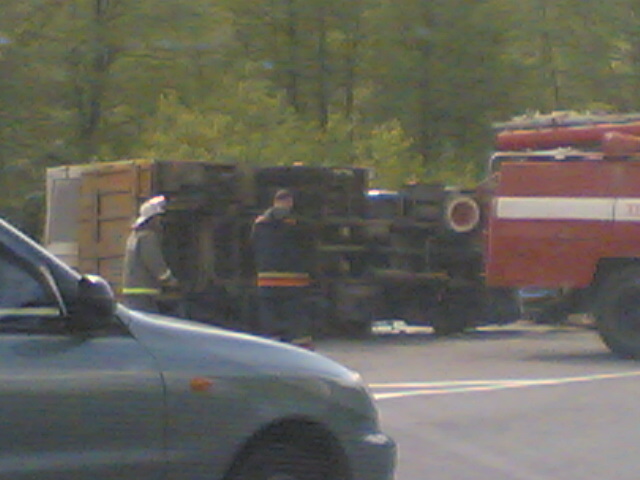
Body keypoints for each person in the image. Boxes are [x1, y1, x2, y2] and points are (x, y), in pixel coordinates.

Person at [251, 189, 315, 349]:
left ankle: (271, 348)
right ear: (290, 202)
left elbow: (253, 247)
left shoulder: (259, 224)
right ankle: (300, 348)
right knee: (295, 319)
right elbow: (308, 248)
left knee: (269, 319)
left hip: (266, 281)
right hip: (293, 281)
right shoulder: (299, 224)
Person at [121, 195, 179, 314]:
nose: (160, 222)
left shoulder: (135, 236)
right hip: (144, 293)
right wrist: (169, 280)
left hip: (134, 292)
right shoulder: (148, 237)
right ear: (152, 219)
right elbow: (154, 262)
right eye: (159, 218)